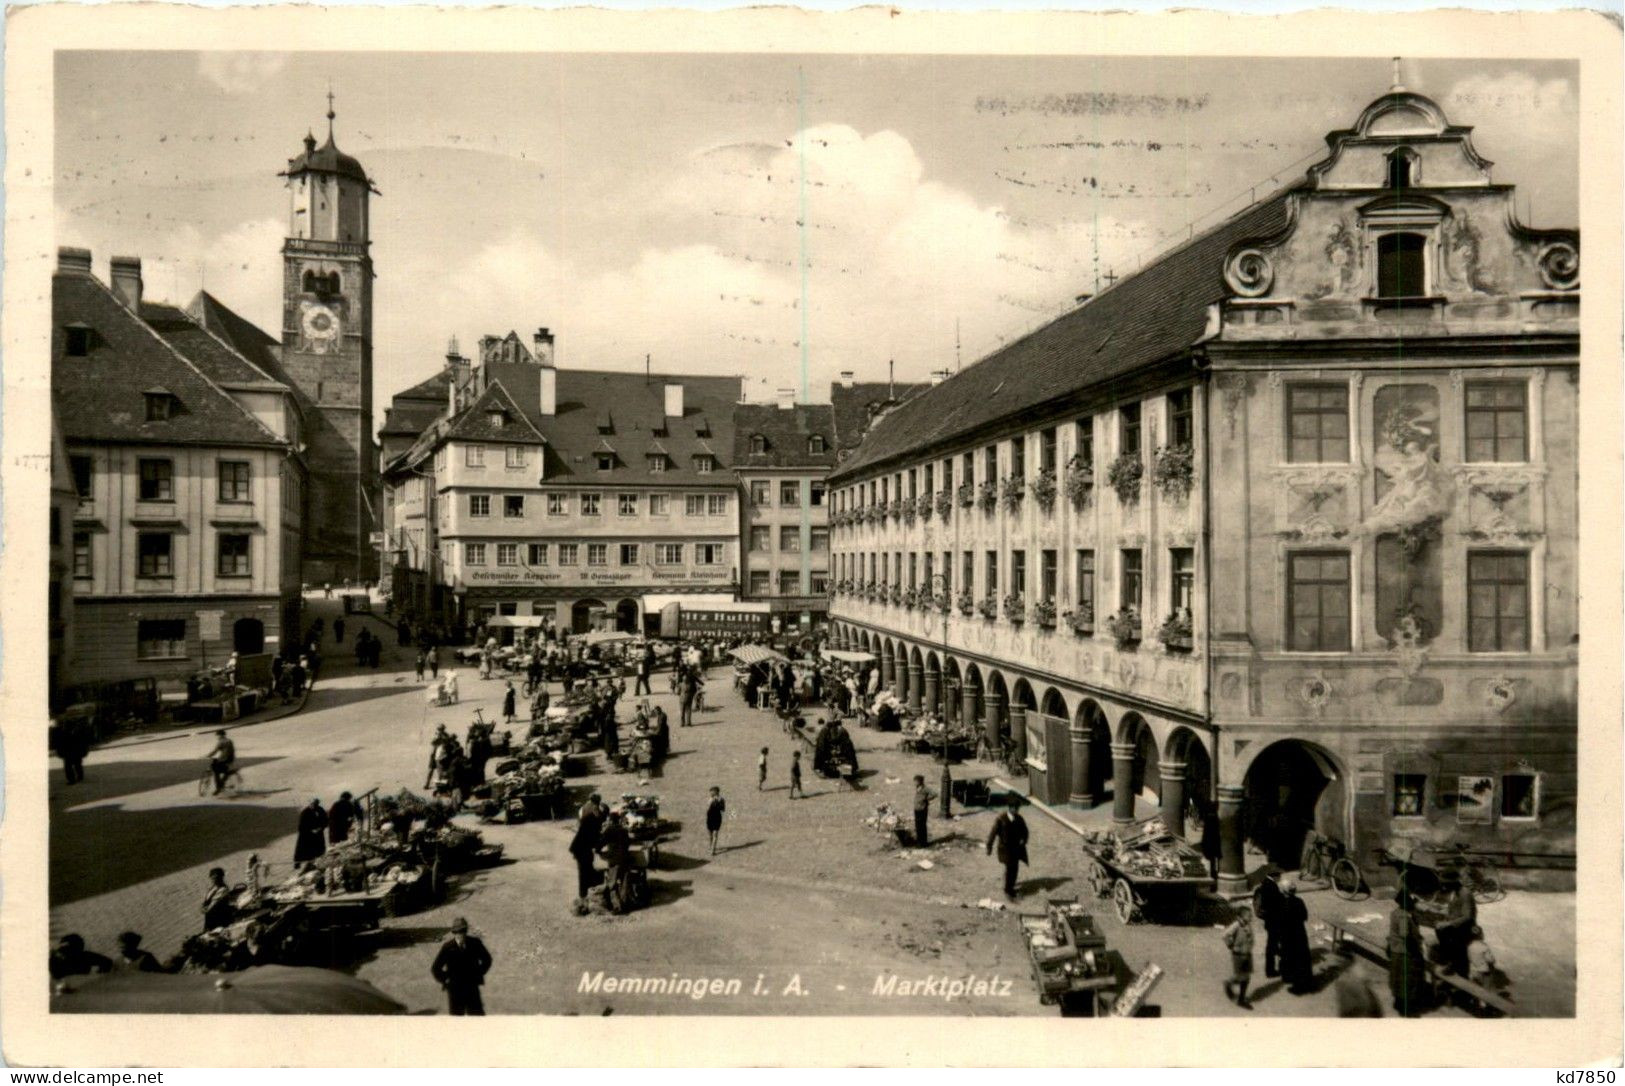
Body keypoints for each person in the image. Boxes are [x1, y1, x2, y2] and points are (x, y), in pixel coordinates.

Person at [430, 918, 492, 1016]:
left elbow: (487, 960)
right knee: (457, 1020)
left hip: (472, 988)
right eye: (458, 932)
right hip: (455, 990)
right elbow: (435, 968)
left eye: (463, 931)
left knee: (477, 1018)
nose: (460, 934)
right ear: (454, 932)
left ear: (466, 931)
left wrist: (478, 973)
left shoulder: (475, 943)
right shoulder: (448, 947)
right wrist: (446, 979)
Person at [1386, 886, 1430, 1017]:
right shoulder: (1404, 916)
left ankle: (1398, 1002)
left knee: (1397, 978)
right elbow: (1405, 934)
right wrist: (1417, 950)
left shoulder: (1395, 912)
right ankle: (1407, 1009)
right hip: (1405, 952)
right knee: (1408, 980)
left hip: (1395, 950)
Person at [1433, 872, 1478, 977]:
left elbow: (1467, 916)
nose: (1444, 885)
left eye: (1445, 883)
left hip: (1466, 927)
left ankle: (1459, 970)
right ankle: (1449, 961)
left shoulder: (1465, 893)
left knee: (1456, 942)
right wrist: (1442, 912)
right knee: (1439, 929)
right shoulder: (1455, 892)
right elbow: (1455, 910)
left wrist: (1448, 923)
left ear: (1453, 883)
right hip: (1457, 923)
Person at [985, 794, 1029, 899]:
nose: (1016, 810)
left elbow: (1025, 831)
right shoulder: (1001, 820)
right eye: (1014, 808)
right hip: (1005, 849)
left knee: (1015, 868)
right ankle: (1008, 890)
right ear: (1010, 808)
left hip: (1016, 848)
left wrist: (1024, 840)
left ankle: (1009, 885)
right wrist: (989, 847)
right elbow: (993, 834)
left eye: (1017, 808)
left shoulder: (1019, 819)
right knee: (1010, 868)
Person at [1277, 876, 1314, 994]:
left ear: (1283, 891)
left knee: (1289, 957)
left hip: (1287, 935)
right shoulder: (1299, 901)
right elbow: (1304, 916)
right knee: (1301, 958)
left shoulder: (1282, 904)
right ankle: (1305, 981)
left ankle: (1296, 985)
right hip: (1299, 933)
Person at [569, 794, 605, 905]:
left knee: (587, 869)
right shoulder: (592, 817)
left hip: (582, 848)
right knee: (584, 872)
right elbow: (594, 835)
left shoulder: (586, 813)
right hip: (581, 849)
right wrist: (599, 847)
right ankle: (583, 896)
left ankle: (587, 893)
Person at [1252, 865, 1285, 978]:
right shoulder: (1272, 887)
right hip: (1274, 921)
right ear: (1275, 876)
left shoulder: (1265, 883)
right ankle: (1270, 970)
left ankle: (1277, 963)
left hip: (1269, 921)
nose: (1280, 878)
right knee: (1272, 946)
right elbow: (1276, 904)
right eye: (1279, 876)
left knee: (1273, 944)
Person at [1222, 903, 1255, 1009]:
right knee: (1241, 976)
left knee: (1247, 977)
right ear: (1241, 916)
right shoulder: (1236, 925)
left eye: (1251, 915)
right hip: (1238, 955)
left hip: (1247, 954)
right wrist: (1230, 945)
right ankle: (1229, 985)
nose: (1251, 917)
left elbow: (1249, 938)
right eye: (1248, 915)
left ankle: (1241, 998)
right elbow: (1225, 935)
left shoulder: (1247, 925)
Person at [55, 714, 92, 785]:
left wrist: (60, 753)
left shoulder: (63, 734)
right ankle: (79, 777)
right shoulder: (77, 732)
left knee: (69, 767)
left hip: (68, 753)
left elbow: (60, 744)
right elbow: (83, 743)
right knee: (77, 765)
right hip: (76, 753)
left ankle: (72, 780)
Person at [293, 798, 328, 865]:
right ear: (310, 804)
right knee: (303, 850)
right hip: (307, 835)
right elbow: (301, 826)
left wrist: (320, 828)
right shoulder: (305, 812)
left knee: (319, 851)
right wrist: (310, 830)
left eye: (315, 804)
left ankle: (317, 862)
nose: (313, 806)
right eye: (312, 804)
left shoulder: (320, 810)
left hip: (318, 834)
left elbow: (325, 821)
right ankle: (298, 863)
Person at [202, 866, 236, 930]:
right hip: (210, 916)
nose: (214, 880)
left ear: (221, 878)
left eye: (216, 878)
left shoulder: (223, 889)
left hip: (219, 917)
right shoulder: (211, 888)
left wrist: (206, 909)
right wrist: (203, 906)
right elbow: (206, 900)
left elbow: (214, 904)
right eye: (212, 878)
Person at [207, 729, 236, 795]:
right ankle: (223, 781)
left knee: (216, 772)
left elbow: (215, 751)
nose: (217, 737)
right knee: (224, 770)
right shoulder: (229, 741)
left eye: (217, 735)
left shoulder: (221, 742)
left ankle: (218, 787)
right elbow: (231, 751)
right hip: (230, 759)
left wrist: (207, 755)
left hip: (223, 759)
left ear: (220, 735)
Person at [912, 775, 934, 847]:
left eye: (916, 781)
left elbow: (934, 794)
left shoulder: (925, 788)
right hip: (917, 809)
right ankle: (919, 841)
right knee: (918, 826)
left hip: (922, 809)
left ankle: (923, 843)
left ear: (920, 782)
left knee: (922, 826)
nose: (914, 783)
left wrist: (926, 799)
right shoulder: (918, 788)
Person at [706, 786, 726, 856]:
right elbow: (708, 808)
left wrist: (718, 803)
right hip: (710, 817)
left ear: (716, 792)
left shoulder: (721, 799)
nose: (710, 793)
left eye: (712, 791)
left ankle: (713, 850)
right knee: (710, 834)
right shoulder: (710, 799)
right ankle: (711, 846)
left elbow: (723, 809)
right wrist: (711, 801)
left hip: (716, 817)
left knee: (715, 834)